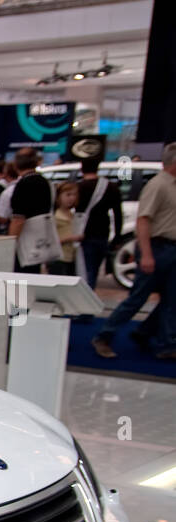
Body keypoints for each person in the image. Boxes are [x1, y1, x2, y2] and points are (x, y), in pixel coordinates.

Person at [92, 141, 176, 359]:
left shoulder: (172, 185)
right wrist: (146, 254)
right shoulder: (158, 185)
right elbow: (143, 220)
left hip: (171, 249)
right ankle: (104, 336)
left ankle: (165, 344)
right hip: (157, 248)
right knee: (137, 298)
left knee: (171, 300)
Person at [74, 155, 123, 291]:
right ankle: (89, 303)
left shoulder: (77, 187)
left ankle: (82, 306)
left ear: (81, 169)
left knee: (82, 271)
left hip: (80, 234)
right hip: (102, 233)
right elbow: (118, 213)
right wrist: (117, 236)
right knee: (93, 271)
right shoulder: (111, 187)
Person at [8, 147, 53, 273]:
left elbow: (18, 219)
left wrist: (11, 243)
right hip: (40, 239)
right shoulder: (45, 182)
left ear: (16, 164)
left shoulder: (24, 184)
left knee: (20, 280)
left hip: (25, 241)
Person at [49, 181, 81, 277]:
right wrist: (71, 238)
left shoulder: (73, 215)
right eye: (68, 195)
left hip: (71, 257)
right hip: (59, 257)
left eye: (74, 195)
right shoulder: (55, 216)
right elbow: (51, 240)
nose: (71, 198)